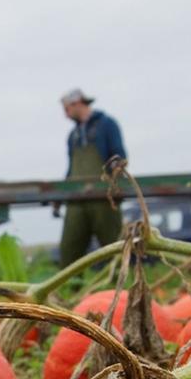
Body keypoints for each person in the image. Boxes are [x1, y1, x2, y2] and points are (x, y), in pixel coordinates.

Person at [57, 88, 126, 266]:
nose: (66, 115)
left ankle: (124, 287)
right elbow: (71, 169)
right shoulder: (73, 136)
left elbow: (119, 158)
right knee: (69, 250)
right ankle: (69, 290)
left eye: (67, 109)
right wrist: (61, 193)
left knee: (115, 248)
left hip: (102, 197)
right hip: (77, 199)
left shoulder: (106, 125)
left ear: (77, 103)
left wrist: (111, 184)